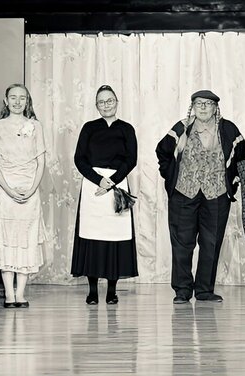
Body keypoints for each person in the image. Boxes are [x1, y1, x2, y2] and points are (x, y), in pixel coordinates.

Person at [156, 90, 245, 304]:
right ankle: (182, 291)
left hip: (216, 194)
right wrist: (171, 176)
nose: (203, 107)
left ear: (216, 107)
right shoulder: (181, 128)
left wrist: (232, 182)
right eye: (199, 103)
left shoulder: (227, 129)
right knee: (182, 243)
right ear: (193, 106)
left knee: (211, 242)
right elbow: (162, 151)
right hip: (183, 192)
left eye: (208, 104)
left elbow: (242, 156)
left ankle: (204, 291)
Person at [71, 85, 139, 305]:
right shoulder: (89, 128)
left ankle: (112, 290)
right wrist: (98, 180)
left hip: (117, 186)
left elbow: (131, 159)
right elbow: (79, 159)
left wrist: (112, 182)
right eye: (101, 102)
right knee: (92, 238)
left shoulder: (127, 129)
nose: (106, 105)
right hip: (93, 186)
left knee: (115, 239)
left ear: (117, 102)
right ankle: (92, 291)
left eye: (110, 101)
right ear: (96, 105)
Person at [0, 84, 45, 308]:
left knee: (26, 240)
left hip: (30, 192)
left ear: (27, 101)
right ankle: (9, 294)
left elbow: (41, 163)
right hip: (5, 191)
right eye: (13, 97)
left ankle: (21, 293)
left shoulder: (35, 126)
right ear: (6, 100)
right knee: (6, 241)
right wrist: (9, 190)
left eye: (22, 98)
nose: (17, 102)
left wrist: (31, 189)